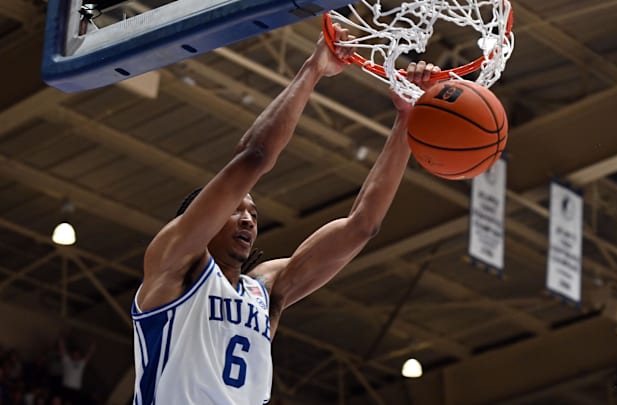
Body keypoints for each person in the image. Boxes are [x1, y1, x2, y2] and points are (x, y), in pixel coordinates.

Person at [131, 23, 440, 405]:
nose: (248, 220)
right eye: (237, 210)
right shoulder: (172, 262)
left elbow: (363, 225)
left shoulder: (265, 290)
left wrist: (406, 118)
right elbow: (254, 156)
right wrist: (314, 67)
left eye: (254, 215)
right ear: (201, 219)